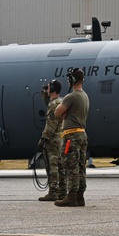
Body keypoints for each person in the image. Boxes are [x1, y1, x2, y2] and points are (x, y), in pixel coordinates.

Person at [54, 67, 90, 207]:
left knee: (71, 165)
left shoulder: (71, 96)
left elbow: (57, 112)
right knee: (81, 165)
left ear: (72, 80)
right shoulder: (85, 96)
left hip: (71, 135)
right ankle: (80, 196)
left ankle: (71, 196)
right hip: (82, 133)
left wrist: (65, 114)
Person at [36, 80, 67, 202]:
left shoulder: (54, 104)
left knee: (52, 165)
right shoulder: (59, 102)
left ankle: (53, 191)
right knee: (60, 165)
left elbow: (51, 124)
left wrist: (44, 139)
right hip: (60, 138)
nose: (46, 89)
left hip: (53, 140)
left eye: (48, 88)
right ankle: (62, 191)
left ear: (53, 89)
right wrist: (45, 91)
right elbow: (47, 100)